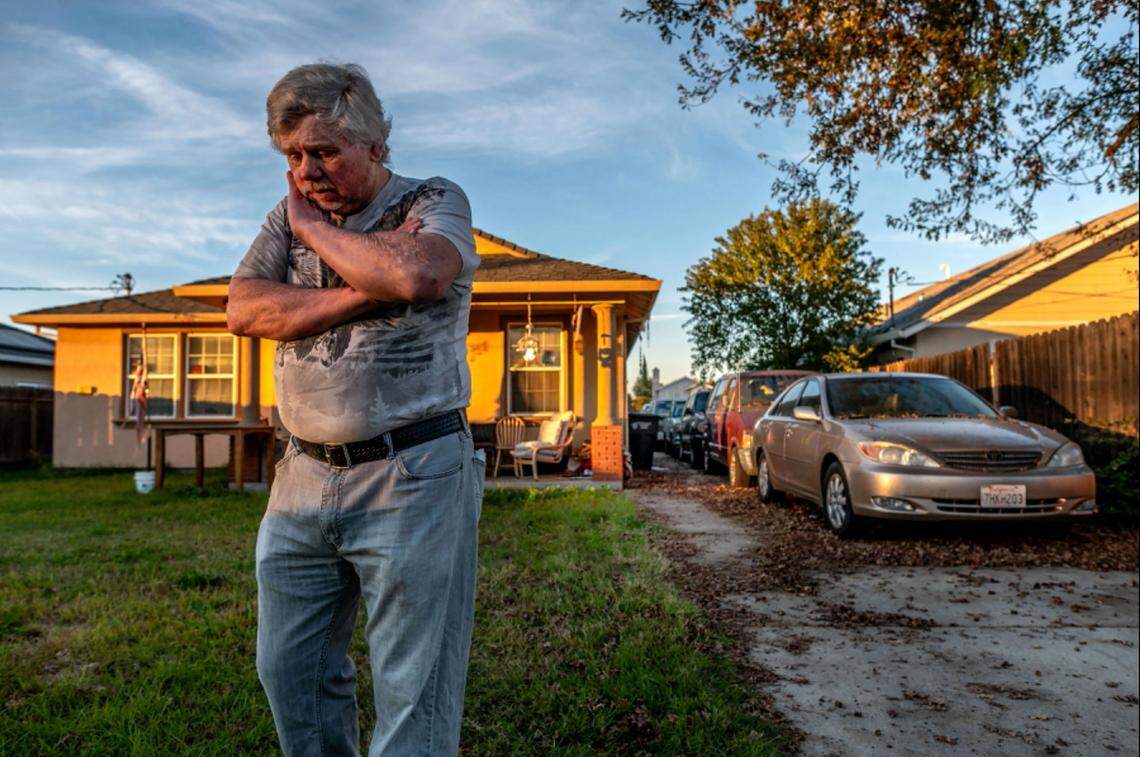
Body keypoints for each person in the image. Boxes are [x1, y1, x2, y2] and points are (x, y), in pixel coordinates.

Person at [226, 62, 484, 756]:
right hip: (303, 476)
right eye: (293, 156)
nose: (306, 171)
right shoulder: (286, 216)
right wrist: (361, 291)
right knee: (290, 668)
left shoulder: (432, 198)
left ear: (373, 145)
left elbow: (418, 271)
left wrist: (315, 238)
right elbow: (245, 309)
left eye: (323, 151)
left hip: (414, 472)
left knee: (414, 688)